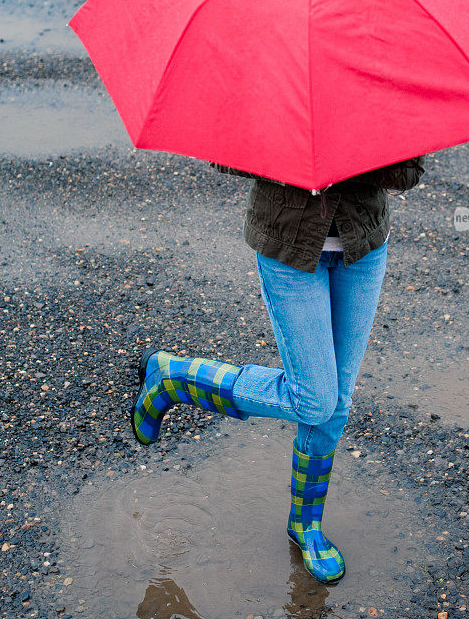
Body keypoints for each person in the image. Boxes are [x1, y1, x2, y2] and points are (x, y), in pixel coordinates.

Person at [130, 156, 425, 583]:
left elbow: (410, 172)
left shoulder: (380, 88)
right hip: (289, 249)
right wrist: (300, 155)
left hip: (364, 248)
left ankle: (306, 525)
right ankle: (175, 379)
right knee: (315, 399)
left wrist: (351, 154)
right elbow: (225, 156)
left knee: (335, 404)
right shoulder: (273, 86)